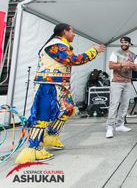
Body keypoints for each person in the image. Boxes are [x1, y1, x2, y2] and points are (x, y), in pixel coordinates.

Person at [16, 23, 105, 164]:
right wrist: (93, 50)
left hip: (59, 85)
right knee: (42, 116)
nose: (74, 34)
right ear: (65, 31)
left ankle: (50, 136)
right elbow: (73, 60)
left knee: (68, 109)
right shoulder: (55, 45)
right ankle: (33, 149)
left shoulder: (61, 45)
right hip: (48, 85)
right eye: (72, 31)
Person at [105, 36, 136, 138]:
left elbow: (135, 67)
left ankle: (120, 125)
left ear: (129, 44)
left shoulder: (132, 55)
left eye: (125, 42)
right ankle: (110, 127)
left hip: (127, 82)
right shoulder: (115, 53)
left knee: (125, 104)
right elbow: (111, 66)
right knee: (114, 104)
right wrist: (123, 64)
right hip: (116, 82)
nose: (123, 43)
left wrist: (133, 66)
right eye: (122, 42)